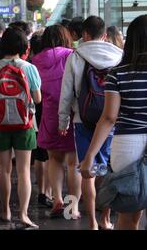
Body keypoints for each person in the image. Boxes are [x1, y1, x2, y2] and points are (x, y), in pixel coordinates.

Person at [81, 14, 147, 230]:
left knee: (127, 217)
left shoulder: (117, 75)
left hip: (127, 144)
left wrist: (90, 156)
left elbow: (109, 118)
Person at [59, 15, 123, 230]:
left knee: (87, 169)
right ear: (105, 35)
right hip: (111, 120)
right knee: (107, 169)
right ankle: (106, 218)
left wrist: (62, 122)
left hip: (81, 119)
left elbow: (66, 93)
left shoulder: (75, 56)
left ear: (84, 34)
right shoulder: (119, 56)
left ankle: (93, 224)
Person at [0, 27, 42, 229]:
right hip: (25, 124)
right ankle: (24, 214)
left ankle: (5, 211)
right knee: (24, 171)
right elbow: (37, 98)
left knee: (4, 170)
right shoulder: (29, 68)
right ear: (23, 46)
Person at [32, 25, 80, 217]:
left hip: (49, 115)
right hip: (72, 113)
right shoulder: (72, 55)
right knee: (73, 163)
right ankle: (72, 208)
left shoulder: (36, 60)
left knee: (54, 159)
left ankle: (57, 199)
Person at [28, 30, 53, 207]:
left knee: (39, 155)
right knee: (51, 156)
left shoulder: (30, 65)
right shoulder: (50, 63)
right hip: (49, 111)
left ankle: (41, 192)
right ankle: (50, 193)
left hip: (32, 115)